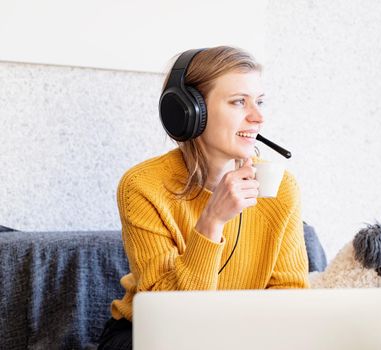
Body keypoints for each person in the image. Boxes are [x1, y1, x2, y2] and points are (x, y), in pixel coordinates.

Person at [97, 46, 310, 349]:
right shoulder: (142, 186)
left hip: (238, 337)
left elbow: (290, 295)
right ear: (190, 111)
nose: (258, 116)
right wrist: (212, 221)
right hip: (148, 334)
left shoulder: (281, 187)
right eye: (239, 102)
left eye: (260, 102)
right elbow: (169, 315)